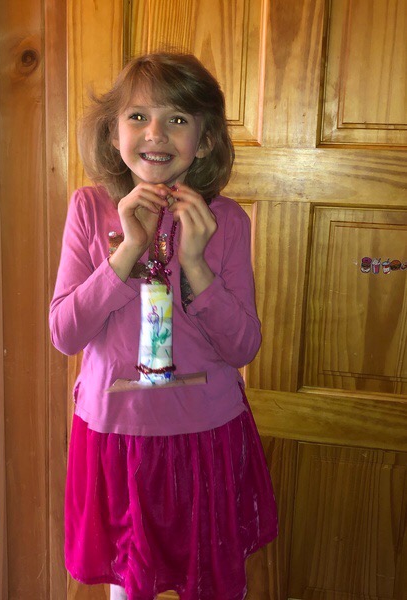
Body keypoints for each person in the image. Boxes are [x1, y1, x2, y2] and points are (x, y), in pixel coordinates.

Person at [50, 51, 278, 600]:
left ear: (204, 140)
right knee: (129, 582)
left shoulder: (227, 221)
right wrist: (127, 250)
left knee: (214, 580)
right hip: (116, 434)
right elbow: (65, 333)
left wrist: (196, 265)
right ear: (114, 133)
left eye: (177, 119)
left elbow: (244, 346)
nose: (156, 133)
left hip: (206, 435)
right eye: (138, 116)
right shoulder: (88, 209)